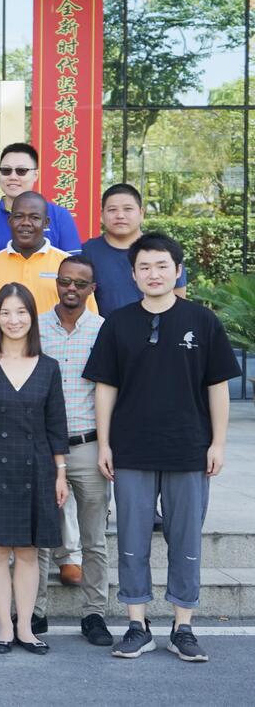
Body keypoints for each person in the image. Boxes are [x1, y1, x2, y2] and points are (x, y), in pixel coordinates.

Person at [84, 233, 240, 663]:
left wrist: (218, 443)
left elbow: (218, 387)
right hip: (131, 449)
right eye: (144, 267)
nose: (153, 274)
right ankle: (137, 625)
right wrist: (104, 443)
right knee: (131, 540)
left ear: (178, 270)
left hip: (189, 448)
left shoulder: (202, 321)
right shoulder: (118, 323)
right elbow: (105, 387)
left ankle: (182, 627)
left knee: (186, 539)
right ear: (133, 275)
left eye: (162, 266)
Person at [0, 282, 69, 656]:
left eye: (21, 312)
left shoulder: (48, 367)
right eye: (5, 312)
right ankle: (4, 627)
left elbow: (56, 425)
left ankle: (25, 627)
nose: (14, 320)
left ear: (32, 317)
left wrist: (60, 472)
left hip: (37, 468)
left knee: (27, 552)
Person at [35, 254, 112, 646]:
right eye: (65, 281)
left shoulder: (103, 330)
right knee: (40, 537)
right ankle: (35, 611)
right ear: (57, 282)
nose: (71, 289)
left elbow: (112, 391)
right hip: (44, 447)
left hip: (88, 445)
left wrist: (109, 446)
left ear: (91, 289)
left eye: (80, 284)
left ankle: (94, 613)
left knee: (94, 538)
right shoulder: (35, 327)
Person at [0, 191, 96, 316]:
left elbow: (89, 319)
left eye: (34, 217)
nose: (26, 222)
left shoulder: (69, 266)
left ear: (46, 223)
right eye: (19, 216)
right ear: (10, 221)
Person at [83, 183, 188, 313]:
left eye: (128, 209)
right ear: (102, 215)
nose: (120, 215)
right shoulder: (87, 252)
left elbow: (178, 298)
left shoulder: (164, 250)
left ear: (141, 213)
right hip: (103, 326)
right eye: (112, 210)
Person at [0, 143, 81, 253]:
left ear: (36, 175)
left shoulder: (60, 216)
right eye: (6, 170)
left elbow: (73, 261)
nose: (13, 177)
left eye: (21, 171)